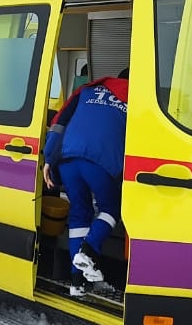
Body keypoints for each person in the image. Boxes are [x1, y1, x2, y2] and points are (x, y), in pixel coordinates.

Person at [42, 68, 130, 296]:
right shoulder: (138, 100)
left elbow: (59, 123)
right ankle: (89, 251)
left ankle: (77, 281)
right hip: (100, 163)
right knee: (111, 209)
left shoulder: (87, 90)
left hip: (68, 159)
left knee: (80, 214)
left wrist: (49, 159)